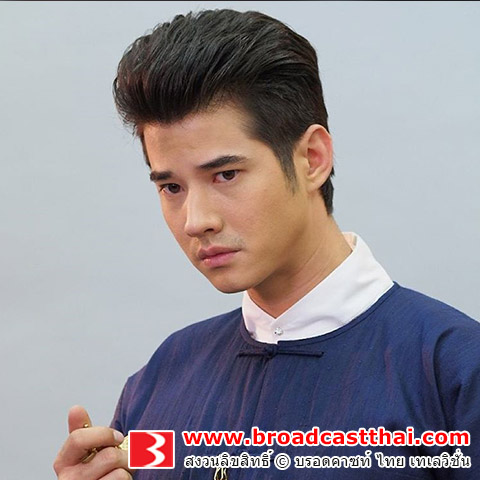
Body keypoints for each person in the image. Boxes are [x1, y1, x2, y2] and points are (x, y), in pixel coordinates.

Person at [53, 8, 480, 480]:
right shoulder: (163, 378)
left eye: (226, 175)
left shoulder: (453, 372)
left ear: (312, 158)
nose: (196, 221)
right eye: (171, 187)